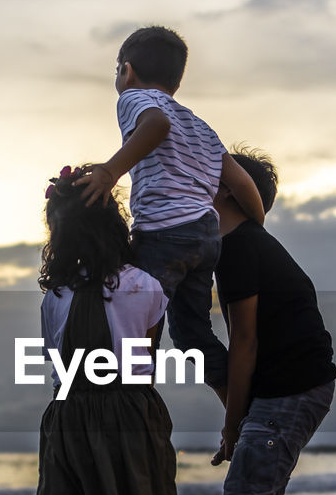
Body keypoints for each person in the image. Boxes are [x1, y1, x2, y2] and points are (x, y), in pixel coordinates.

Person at [0, 166, 201, 495]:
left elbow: (55, 362)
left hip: (71, 412)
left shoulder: (54, 298)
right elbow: (146, 357)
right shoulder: (146, 287)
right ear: (115, 224)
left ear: (58, 233)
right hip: (132, 413)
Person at [76, 25, 263, 398]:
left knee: (137, 319)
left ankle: (134, 402)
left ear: (126, 71)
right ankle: (235, 405)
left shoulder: (134, 98)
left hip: (163, 232)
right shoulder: (201, 126)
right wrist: (256, 231)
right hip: (204, 237)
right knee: (193, 332)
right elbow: (242, 184)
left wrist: (111, 171)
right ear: (176, 81)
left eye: (117, 70)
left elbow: (156, 125)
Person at [213, 150, 336, 495]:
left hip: (289, 393)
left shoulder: (240, 247)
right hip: (296, 388)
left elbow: (244, 342)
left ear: (225, 189)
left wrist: (233, 421)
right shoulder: (244, 245)